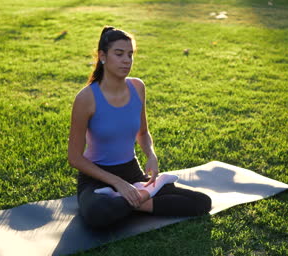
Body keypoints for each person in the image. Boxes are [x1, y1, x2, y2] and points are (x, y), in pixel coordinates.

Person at [67, 26, 211, 229]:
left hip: (132, 173)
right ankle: (138, 196)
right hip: (97, 179)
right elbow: (74, 158)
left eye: (130, 54)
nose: (127, 60)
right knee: (97, 213)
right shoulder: (86, 98)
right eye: (119, 54)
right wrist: (117, 183)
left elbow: (143, 132)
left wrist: (151, 155)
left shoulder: (137, 87)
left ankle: (134, 197)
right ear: (102, 56)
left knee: (201, 202)